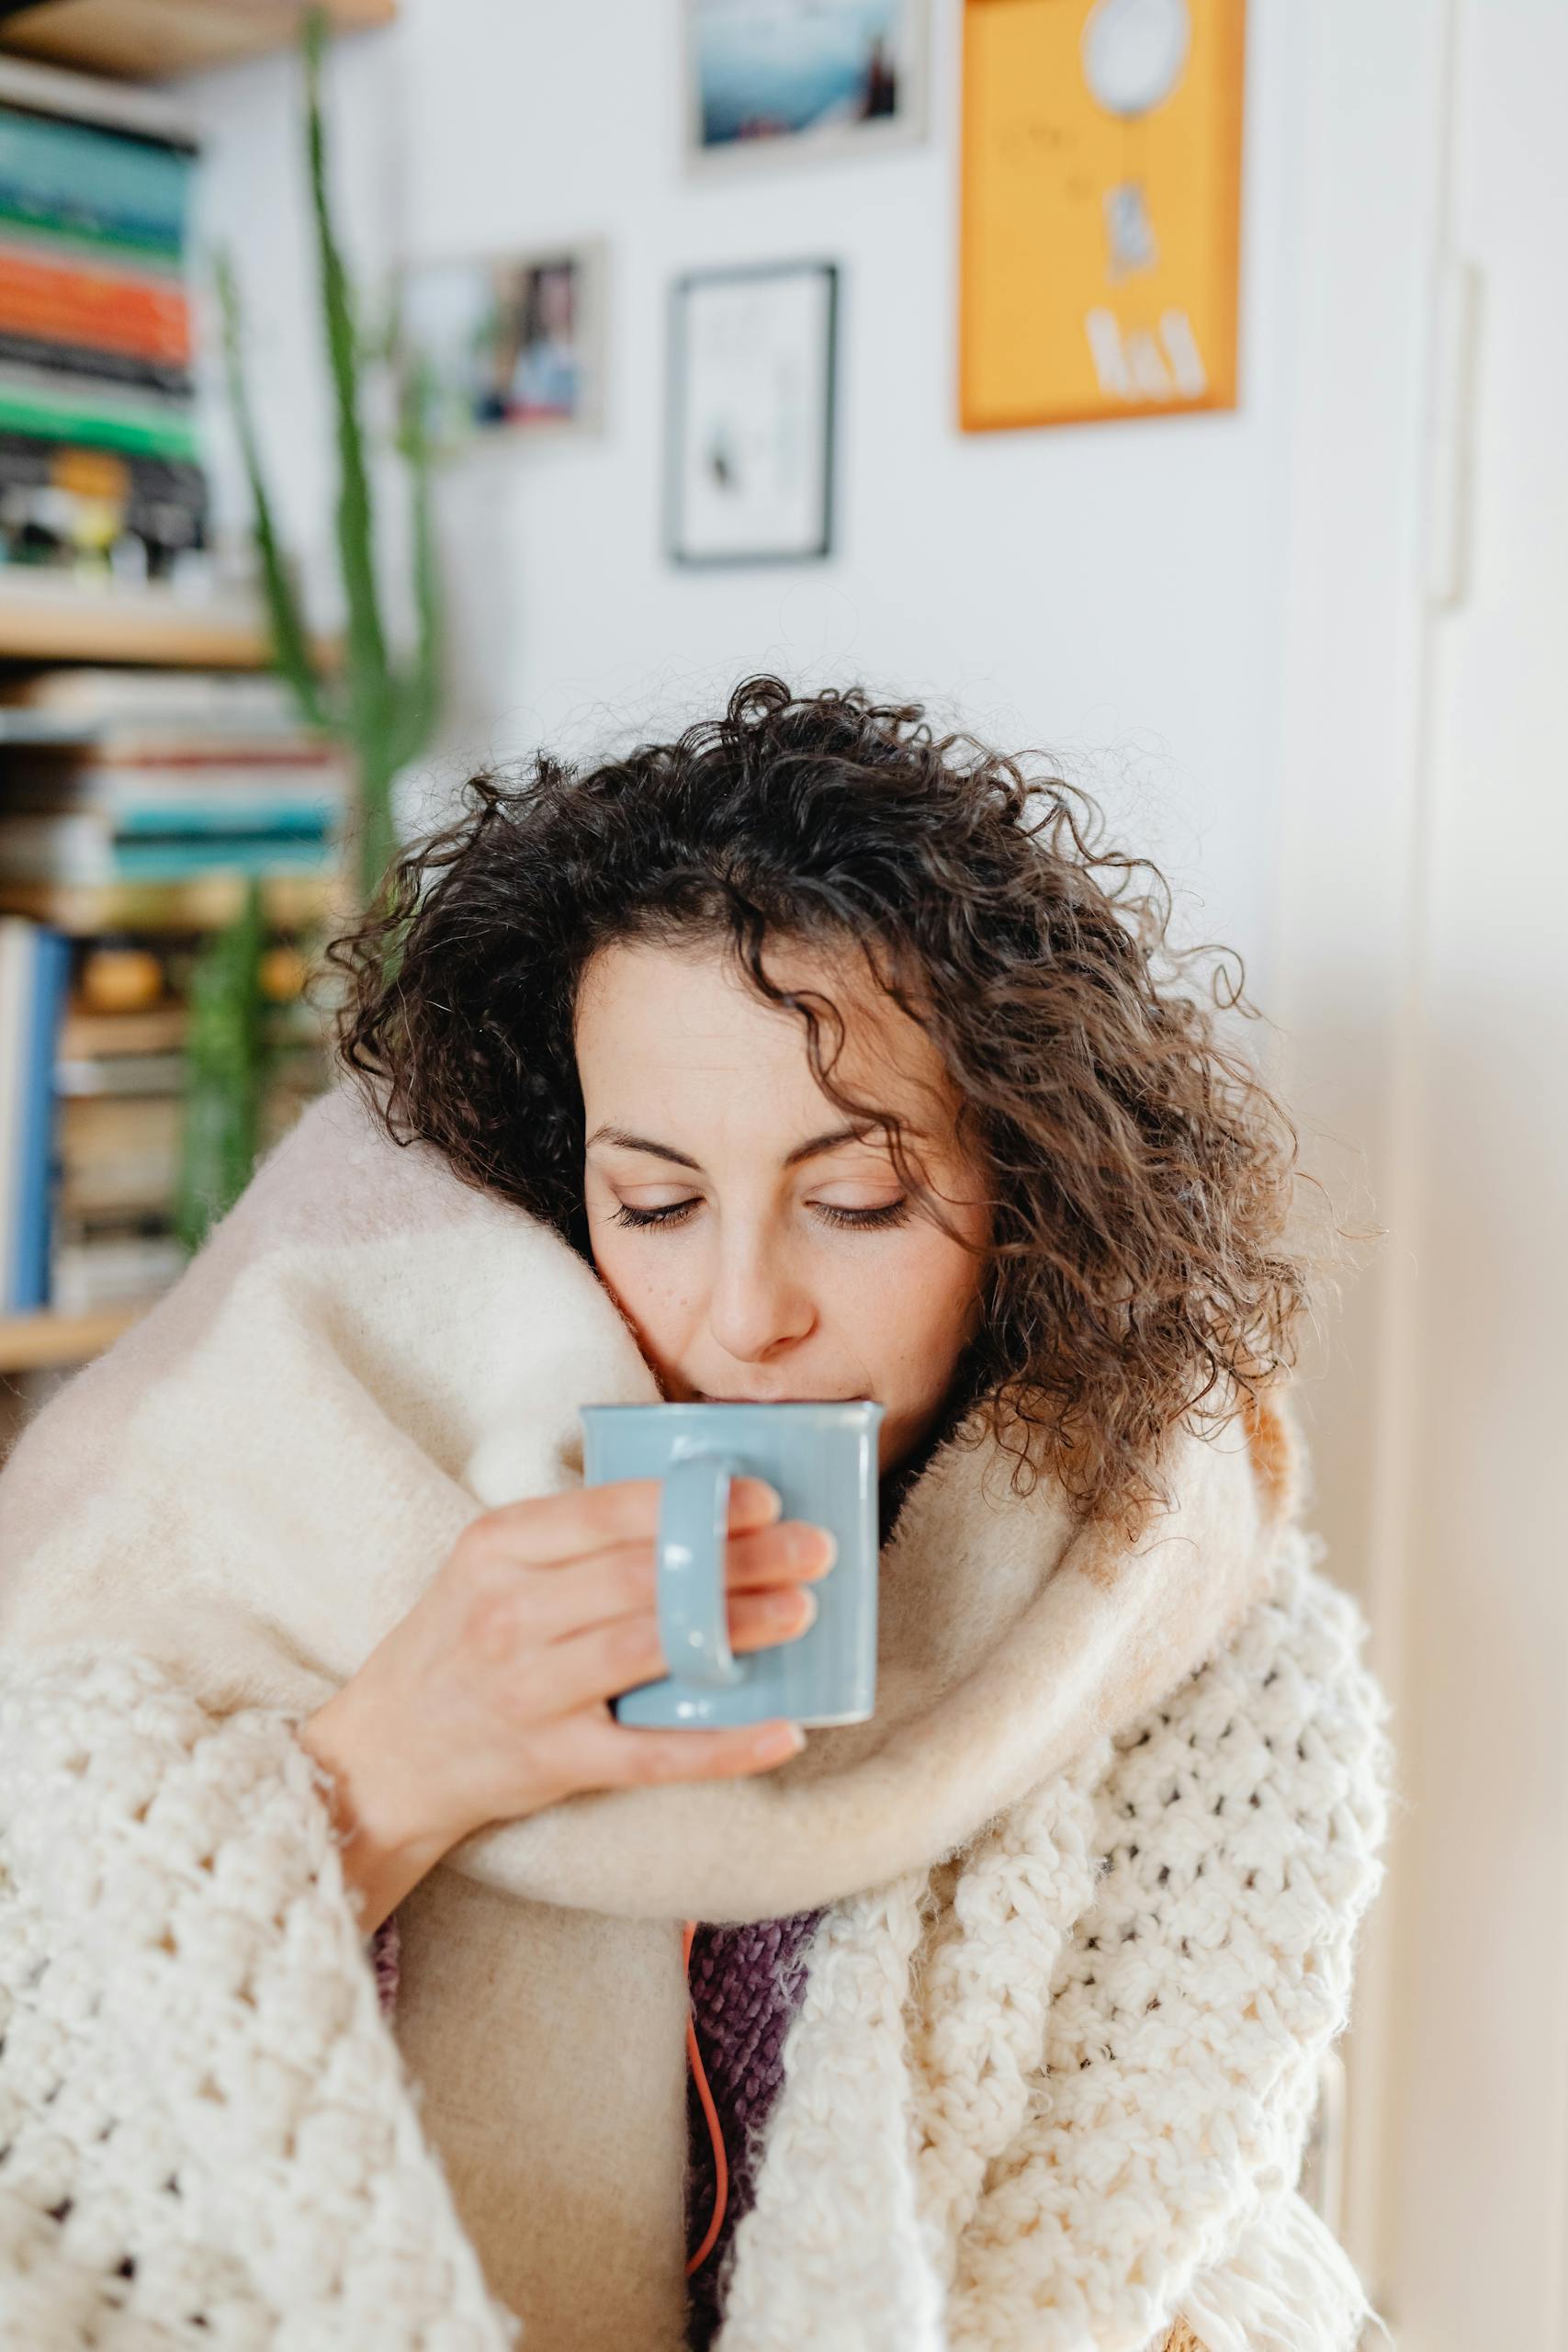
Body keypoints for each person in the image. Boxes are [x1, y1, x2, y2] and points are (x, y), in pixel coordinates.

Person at [0, 678, 1393, 2352]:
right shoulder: (326, 1471)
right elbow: (52, 2055)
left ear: (1025, 1195)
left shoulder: (1190, 1633)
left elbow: (1170, 2217)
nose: (746, 1314)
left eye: (858, 1197)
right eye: (653, 1201)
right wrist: (384, 1772)